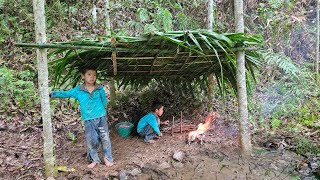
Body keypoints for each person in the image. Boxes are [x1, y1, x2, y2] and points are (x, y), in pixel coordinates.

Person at [50, 66, 113, 169]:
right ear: (83, 76)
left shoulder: (99, 88)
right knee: (92, 140)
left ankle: (108, 158)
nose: (92, 77)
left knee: (105, 138)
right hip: (88, 120)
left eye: (94, 75)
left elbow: (104, 101)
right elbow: (66, 93)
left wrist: (100, 111)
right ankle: (94, 160)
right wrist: (53, 94)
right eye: (89, 74)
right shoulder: (78, 90)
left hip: (101, 117)